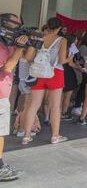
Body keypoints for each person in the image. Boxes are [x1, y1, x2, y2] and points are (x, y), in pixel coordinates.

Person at [23, 17, 70, 145]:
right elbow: (61, 60)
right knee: (55, 106)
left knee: (33, 105)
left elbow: (29, 58)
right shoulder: (62, 40)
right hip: (55, 73)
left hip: (38, 73)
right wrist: (69, 58)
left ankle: (26, 136)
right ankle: (55, 136)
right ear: (59, 27)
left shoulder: (39, 38)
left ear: (48, 26)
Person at [0, 13, 35, 181]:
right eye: (16, 24)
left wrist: (31, 43)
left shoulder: (9, 43)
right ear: (4, 24)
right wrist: (20, 46)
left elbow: (25, 58)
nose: (19, 27)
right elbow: (7, 67)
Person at [61, 34, 82, 120]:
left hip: (60, 70)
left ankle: (57, 112)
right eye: (76, 39)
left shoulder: (62, 47)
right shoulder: (72, 48)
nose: (77, 41)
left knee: (61, 94)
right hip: (68, 72)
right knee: (68, 94)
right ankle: (64, 113)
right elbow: (70, 63)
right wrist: (80, 68)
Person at [71, 32, 87, 116]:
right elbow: (85, 59)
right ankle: (77, 106)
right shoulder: (83, 47)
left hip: (83, 69)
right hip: (81, 69)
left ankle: (79, 105)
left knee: (83, 88)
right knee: (81, 88)